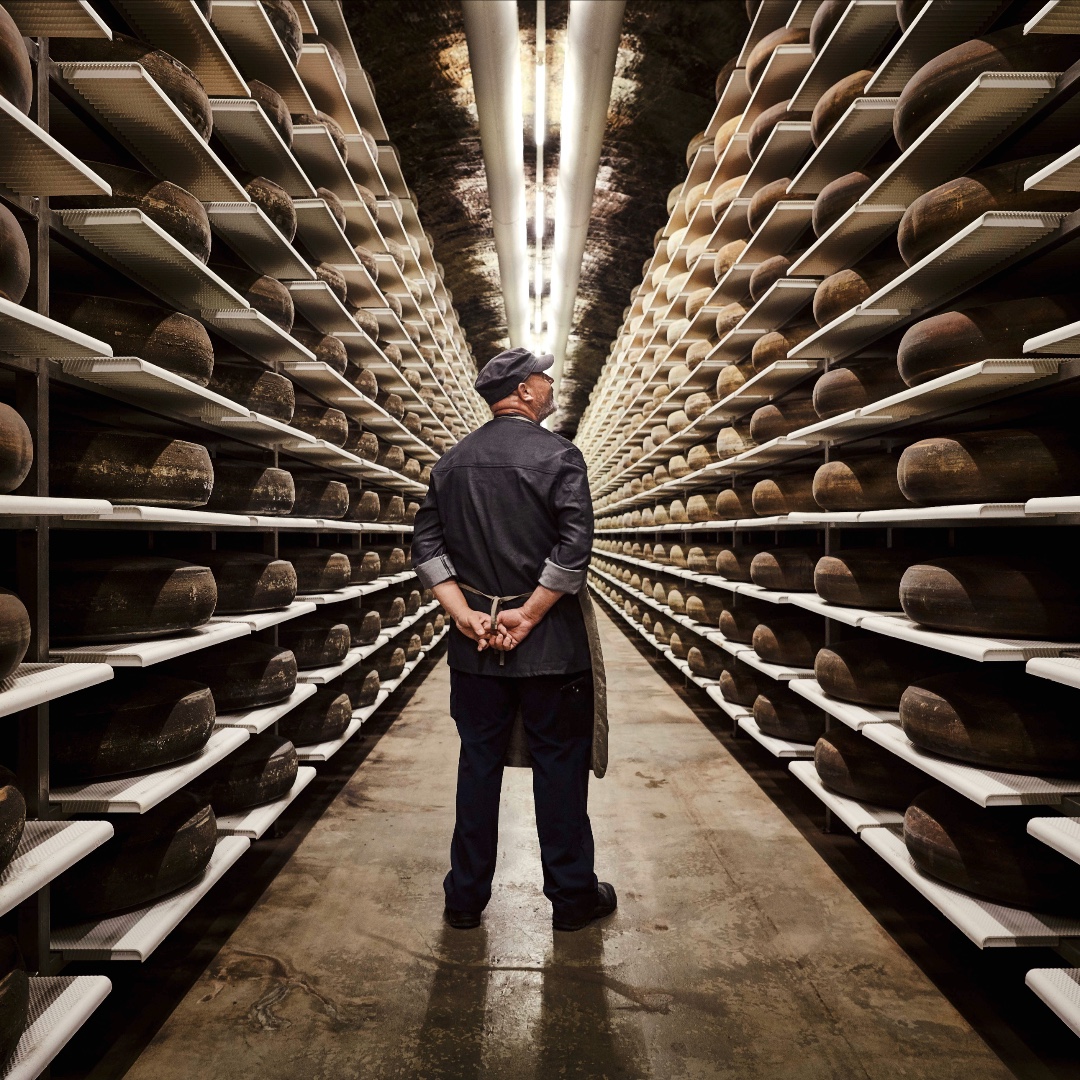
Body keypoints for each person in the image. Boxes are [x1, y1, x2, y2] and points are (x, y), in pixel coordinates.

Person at [411, 346, 614, 932]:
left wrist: (464, 615)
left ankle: (464, 899)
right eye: (543, 378)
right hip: (552, 649)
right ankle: (572, 900)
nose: (550, 385)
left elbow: (426, 547)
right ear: (524, 391)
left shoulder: (451, 464)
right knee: (560, 770)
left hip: (475, 650)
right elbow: (574, 548)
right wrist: (527, 615)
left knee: (478, 768)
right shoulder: (560, 457)